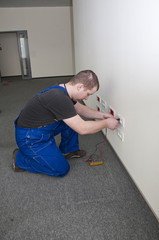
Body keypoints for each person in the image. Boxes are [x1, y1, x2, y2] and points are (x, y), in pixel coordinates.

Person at [13, 70, 118, 177]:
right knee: (61, 169)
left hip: (40, 127)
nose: (87, 98)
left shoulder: (63, 89)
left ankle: (68, 150)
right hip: (29, 137)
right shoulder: (59, 97)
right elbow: (82, 129)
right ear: (80, 87)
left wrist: (101, 115)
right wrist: (106, 124)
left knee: (71, 119)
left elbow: (80, 109)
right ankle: (20, 160)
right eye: (88, 94)